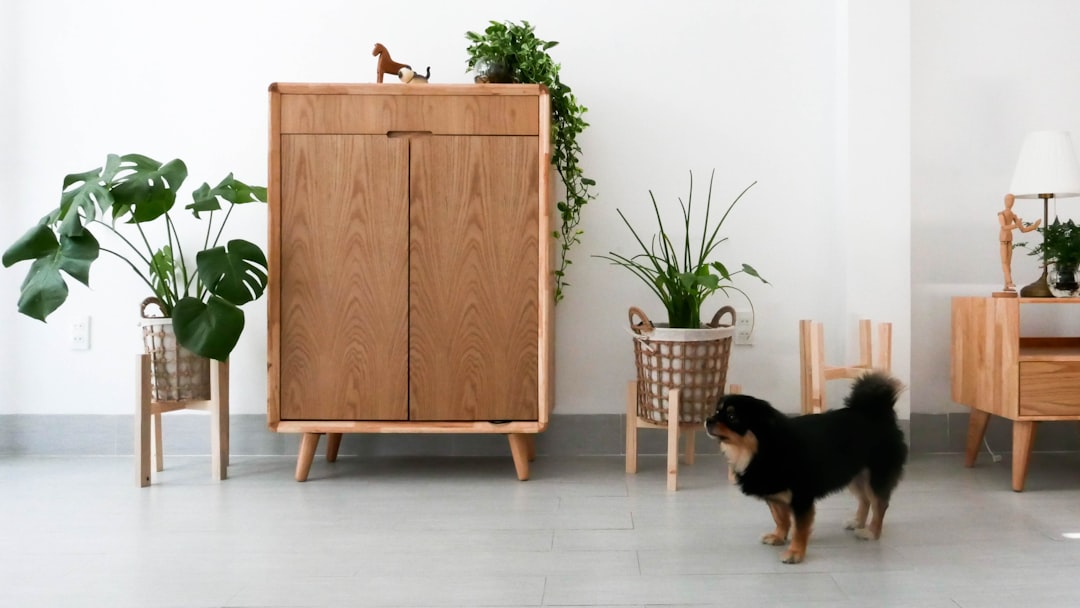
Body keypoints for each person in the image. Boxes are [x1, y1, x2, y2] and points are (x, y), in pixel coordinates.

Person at [999, 193, 1040, 291]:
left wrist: (1034, 226)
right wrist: (1015, 225)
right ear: (1005, 201)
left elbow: (1023, 230)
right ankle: (1009, 282)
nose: (1010, 202)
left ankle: (1007, 286)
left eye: (1012, 201)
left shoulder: (1013, 215)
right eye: (1008, 200)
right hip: (1003, 239)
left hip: (1009, 239)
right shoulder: (1001, 214)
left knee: (1008, 263)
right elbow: (1003, 227)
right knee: (1004, 262)